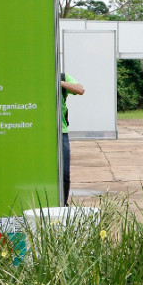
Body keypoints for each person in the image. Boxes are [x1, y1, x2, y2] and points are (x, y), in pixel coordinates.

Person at [60, 73, 85, 205]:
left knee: (64, 172)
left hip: (61, 132)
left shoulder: (62, 77)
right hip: (40, 132)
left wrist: (60, 83)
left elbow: (80, 90)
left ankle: (63, 202)